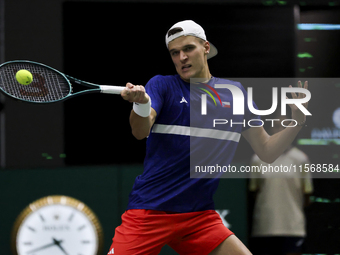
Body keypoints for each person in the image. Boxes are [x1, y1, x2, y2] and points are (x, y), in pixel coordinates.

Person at [107, 20, 309, 255]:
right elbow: (140, 131)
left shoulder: (235, 95)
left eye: (188, 49)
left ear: (205, 47)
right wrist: (141, 105)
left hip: (199, 217)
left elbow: (267, 151)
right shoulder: (162, 86)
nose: (182, 57)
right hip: (151, 212)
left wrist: (298, 122)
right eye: (175, 53)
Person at [249, 112, 313, 255]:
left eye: (283, 127)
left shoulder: (301, 159)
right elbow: (254, 191)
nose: (279, 130)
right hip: (264, 228)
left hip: (293, 228)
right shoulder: (257, 159)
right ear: (269, 129)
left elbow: (307, 196)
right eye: (276, 126)